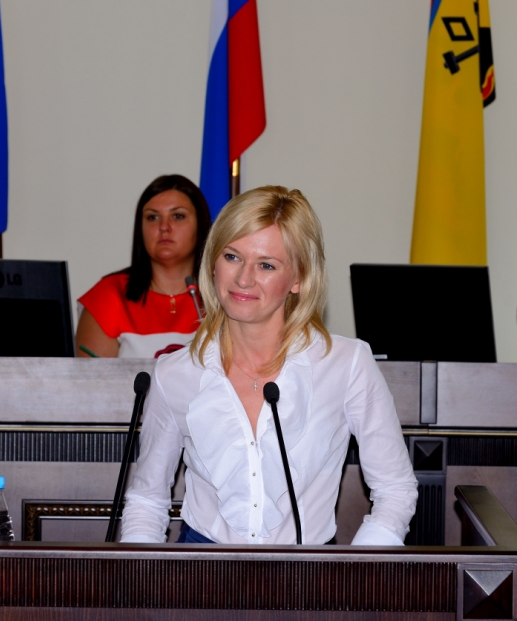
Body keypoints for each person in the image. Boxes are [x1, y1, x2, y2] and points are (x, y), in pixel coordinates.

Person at [119, 186, 418, 545]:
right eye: (232, 257)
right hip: (201, 565)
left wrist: (356, 571)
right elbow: (147, 500)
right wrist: (142, 575)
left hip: (310, 570)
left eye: (266, 265)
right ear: (212, 263)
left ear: (299, 279)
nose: (243, 279)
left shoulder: (347, 364)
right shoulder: (174, 373)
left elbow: (395, 488)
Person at [75, 175, 211, 359]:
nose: (164, 227)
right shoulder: (109, 294)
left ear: (200, 225)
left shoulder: (223, 295)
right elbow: (92, 377)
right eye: (152, 217)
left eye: (178, 216)